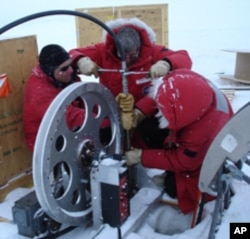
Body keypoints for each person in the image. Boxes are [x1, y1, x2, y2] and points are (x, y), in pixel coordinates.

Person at [124, 68, 234, 215]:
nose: (159, 113)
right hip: (201, 120)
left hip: (204, 156)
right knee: (147, 126)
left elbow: (182, 161)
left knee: (174, 188)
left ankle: (170, 177)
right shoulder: (182, 81)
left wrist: (141, 157)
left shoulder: (202, 134)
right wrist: (140, 112)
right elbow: (163, 93)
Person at [69, 17, 192, 146]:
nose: (127, 60)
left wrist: (165, 64)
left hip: (145, 114)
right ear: (115, 47)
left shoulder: (152, 51)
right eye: (122, 55)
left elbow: (184, 58)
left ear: (139, 48)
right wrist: (81, 61)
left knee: (152, 134)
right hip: (110, 113)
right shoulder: (103, 51)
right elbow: (72, 53)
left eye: (132, 56)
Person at [23, 44, 85, 151]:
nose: (71, 70)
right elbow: (69, 117)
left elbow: (83, 100)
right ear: (50, 71)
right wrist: (106, 119)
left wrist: (82, 60)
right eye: (65, 68)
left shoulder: (61, 77)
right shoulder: (40, 93)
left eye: (71, 64)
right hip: (47, 145)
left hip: (62, 130)